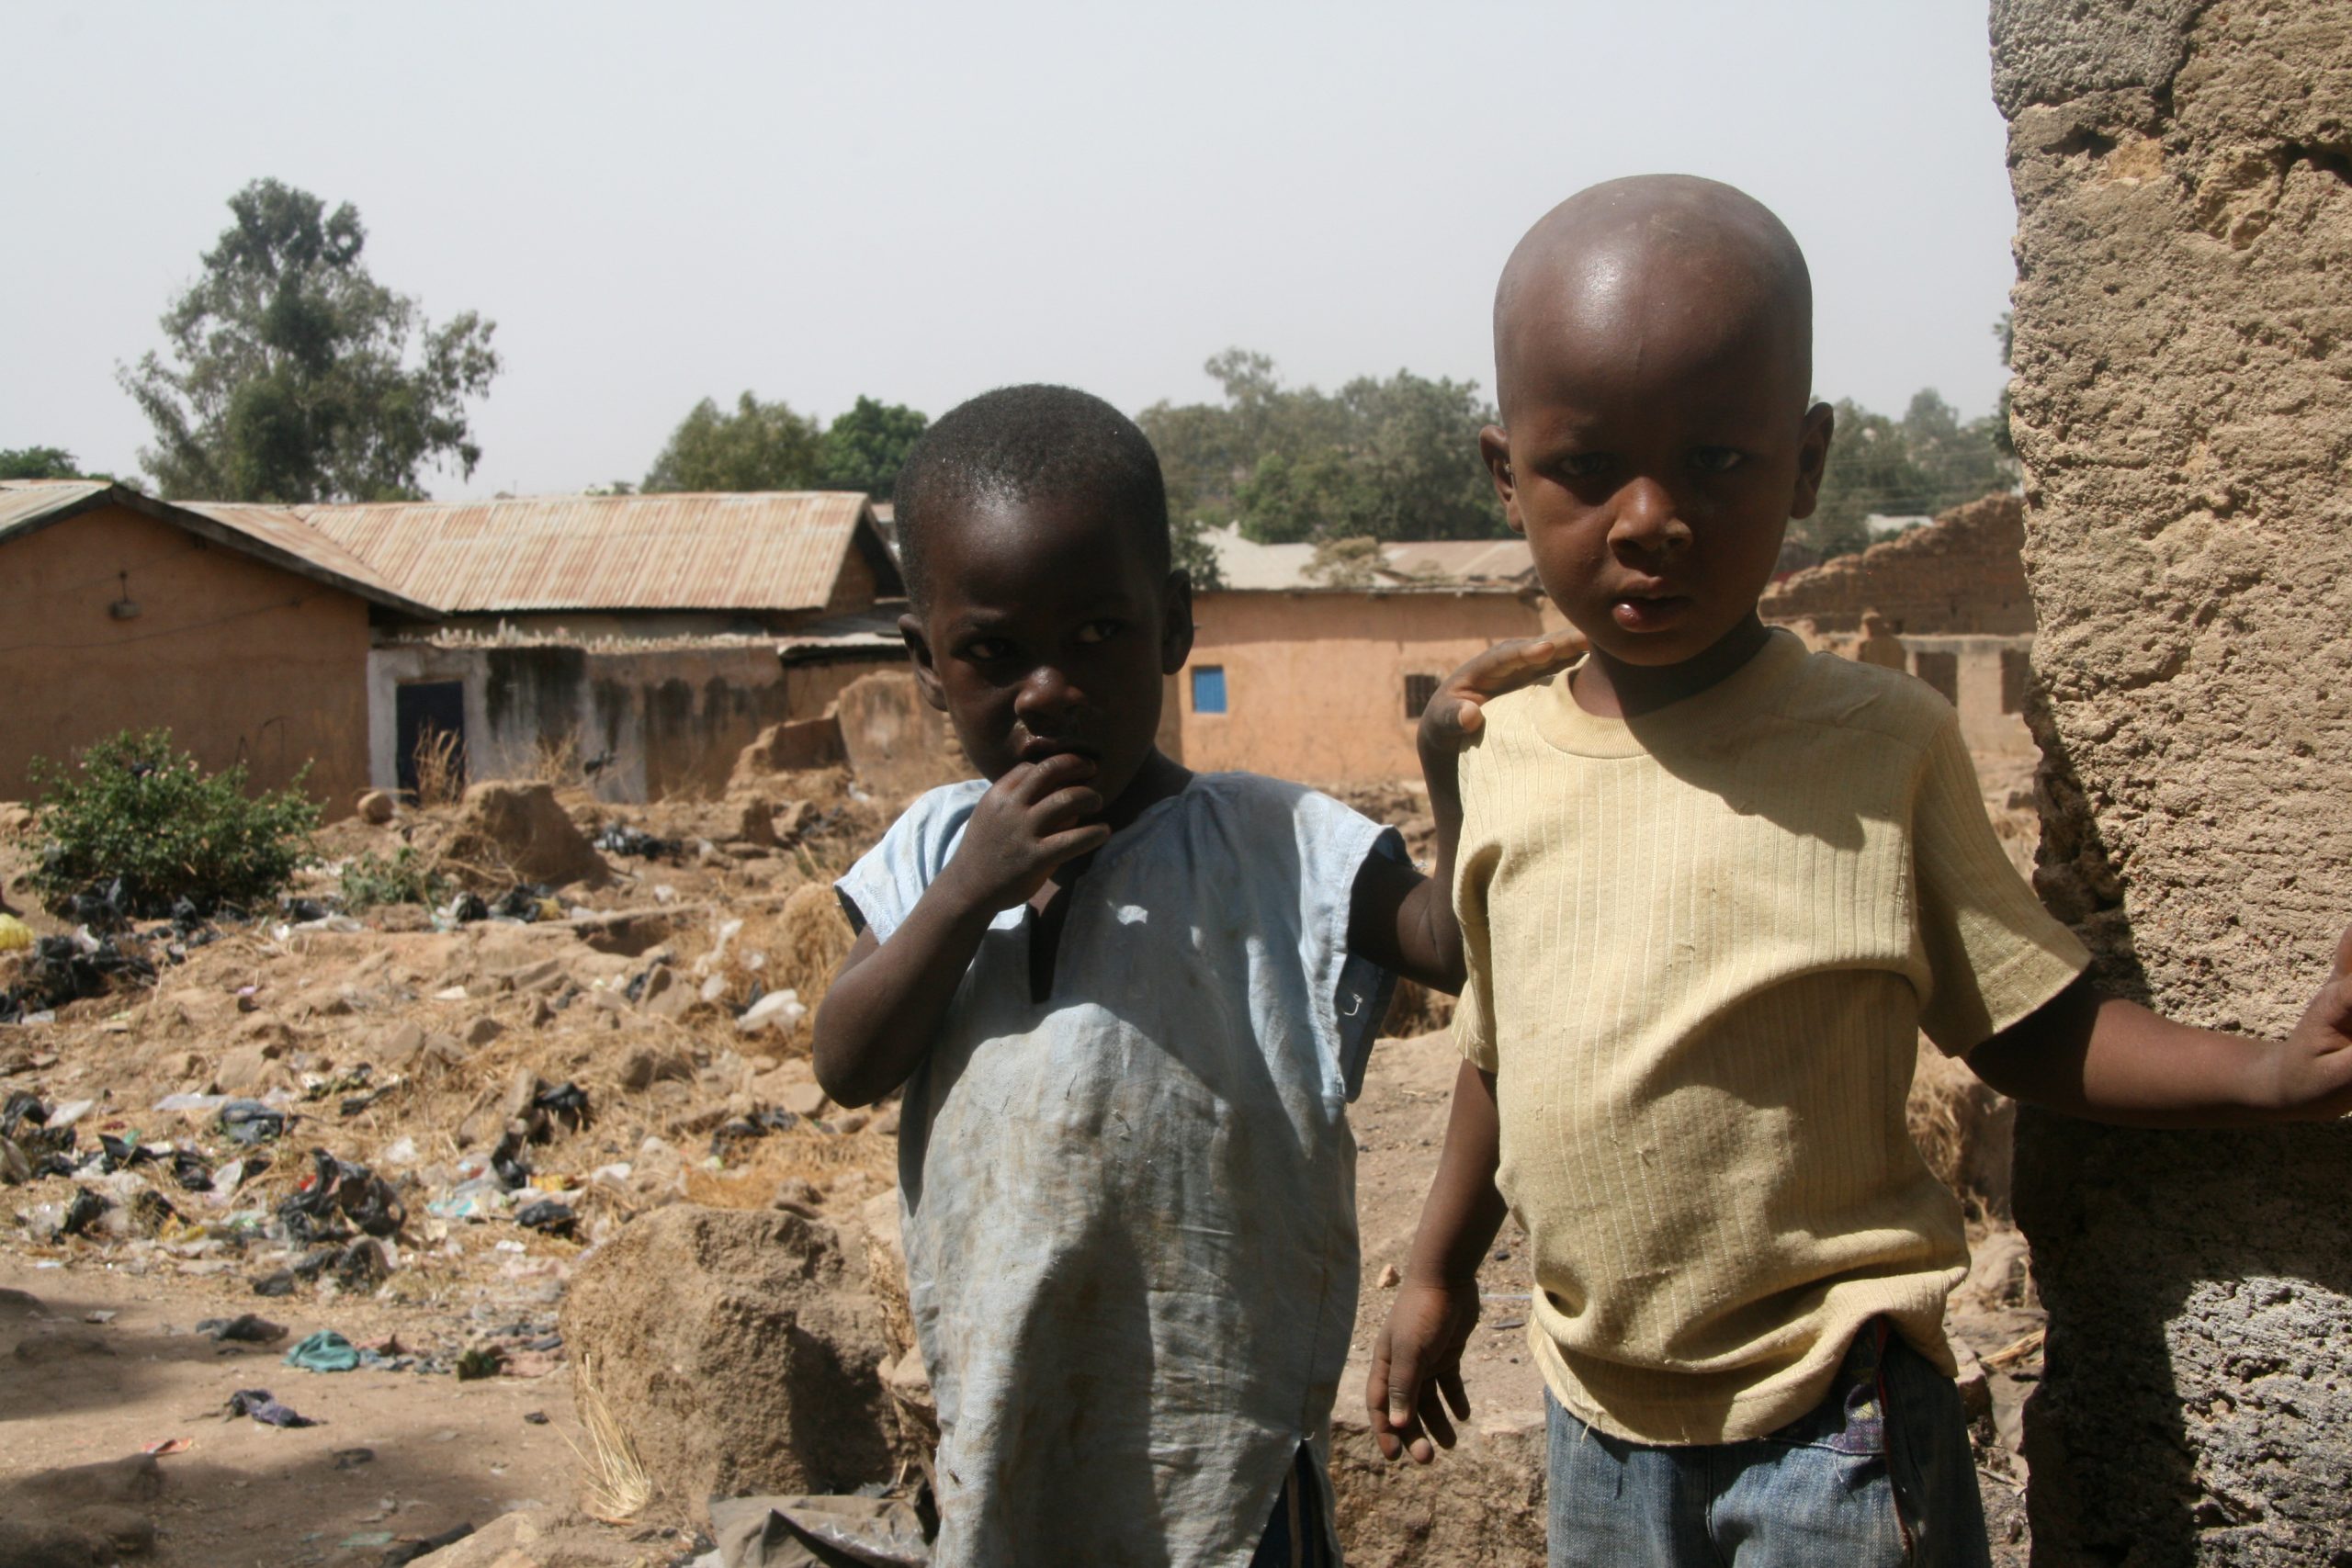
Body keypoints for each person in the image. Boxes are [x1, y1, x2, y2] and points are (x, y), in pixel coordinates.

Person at [1365, 175, 2352, 1567]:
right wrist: (1440, 1272)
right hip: (1596, 1419)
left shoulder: (1881, 744)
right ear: (1503, 471)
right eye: (1588, 469)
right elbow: (1496, 1046)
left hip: (1833, 1422)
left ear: (1810, 461)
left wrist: (2266, 1076)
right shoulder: (1502, 750)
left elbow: (2028, 1022)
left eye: (1717, 460)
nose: (1649, 518)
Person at [811, 384, 1459, 1568]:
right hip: (1011, 1438)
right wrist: (965, 893)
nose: (1049, 691)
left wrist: (1461, 794)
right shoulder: (925, 852)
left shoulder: (1276, 845)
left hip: (1228, 1454)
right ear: (925, 661)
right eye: (995, 655)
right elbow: (847, 1061)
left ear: (1173, 628)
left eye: (1098, 636)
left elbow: (1451, 941)